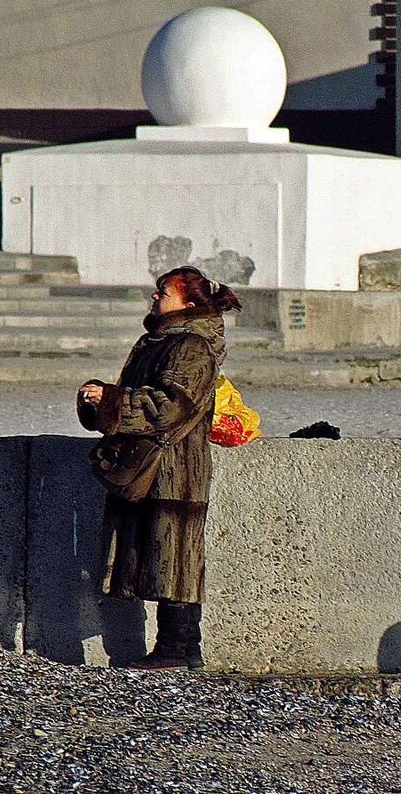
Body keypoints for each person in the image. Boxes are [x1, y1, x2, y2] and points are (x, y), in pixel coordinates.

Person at [77, 266, 241, 670]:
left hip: (175, 468)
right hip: (153, 464)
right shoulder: (161, 340)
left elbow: (171, 404)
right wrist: (104, 401)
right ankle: (173, 648)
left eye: (162, 292)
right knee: (160, 553)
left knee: (177, 557)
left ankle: (179, 648)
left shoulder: (190, 346)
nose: (154, 297)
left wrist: (115, 400)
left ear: (187, 303)